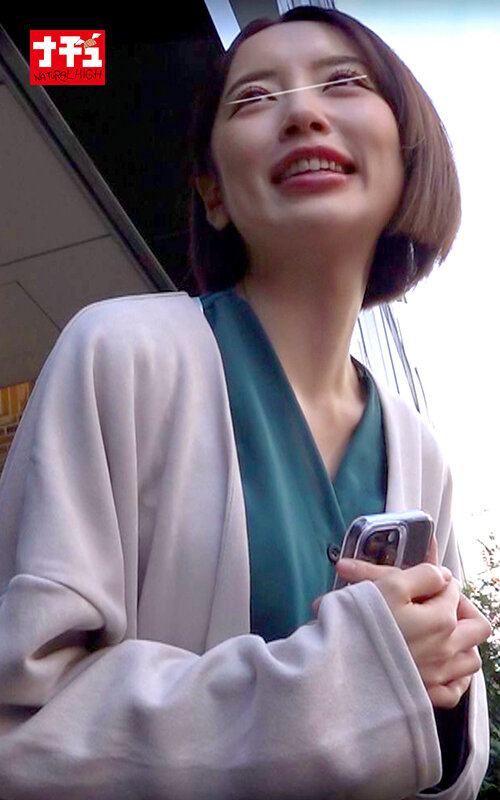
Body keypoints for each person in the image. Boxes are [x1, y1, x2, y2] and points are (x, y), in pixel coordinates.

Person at [0, 5, 492, 799]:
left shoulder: (419, 451)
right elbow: (20, 725)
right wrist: (349, 682)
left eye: (344, 83)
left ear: (406, 160)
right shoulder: (120, 352)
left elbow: (440, 751)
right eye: (255, 98)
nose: (302, 113)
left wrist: (442, 684)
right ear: (213, 192)